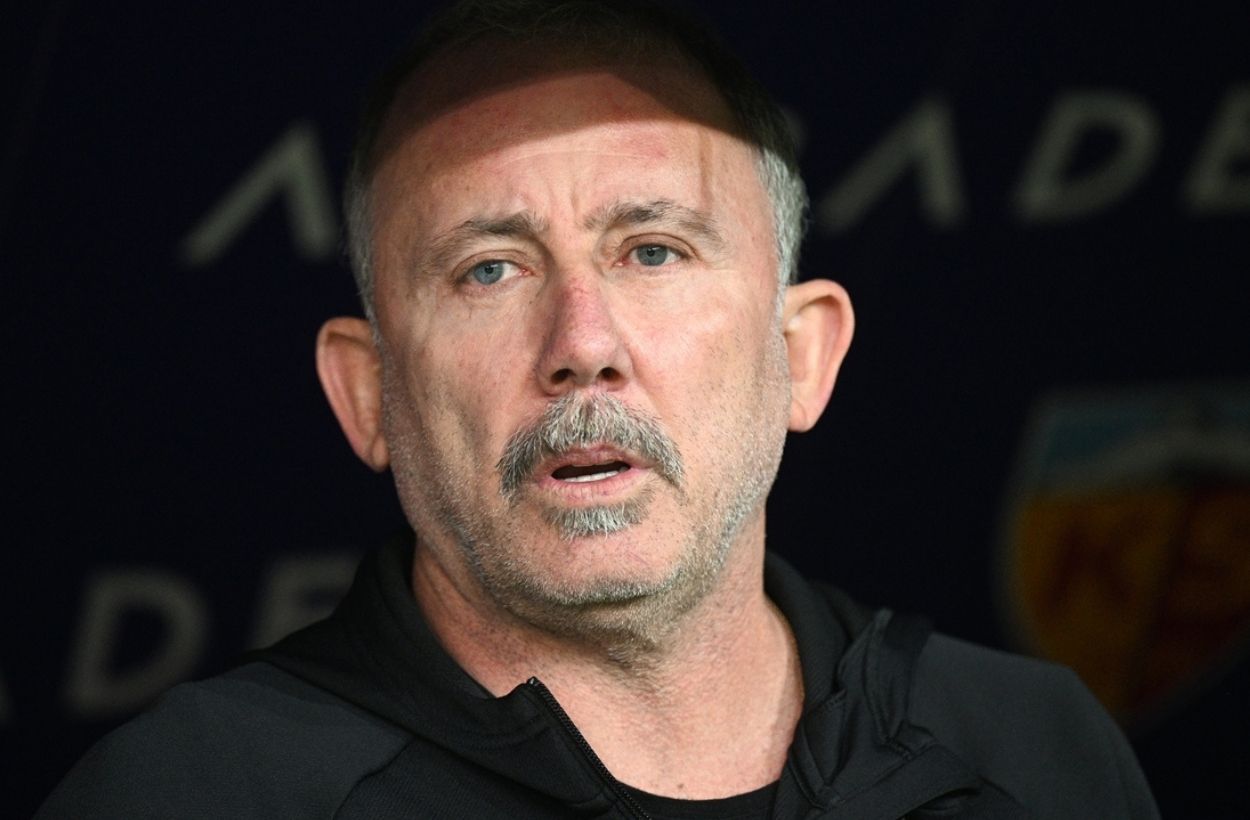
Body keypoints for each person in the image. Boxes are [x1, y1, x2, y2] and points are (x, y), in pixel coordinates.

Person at [39, 1, 1159, 817]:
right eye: (489, 269)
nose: (581, 344)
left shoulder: (1033, 752)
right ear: (368, 392)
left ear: (801, 354)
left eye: (652, 250)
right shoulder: (191, 795)